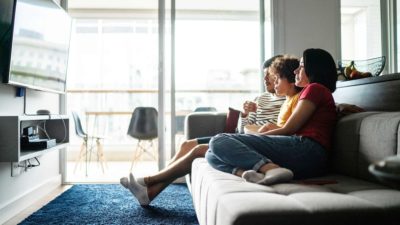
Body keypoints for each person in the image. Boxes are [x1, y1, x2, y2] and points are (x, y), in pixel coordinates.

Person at [120, 55, 288, 206]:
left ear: (278, 76)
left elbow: (280, 128)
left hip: (254, 141)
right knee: (187, 144)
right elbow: (243, 129)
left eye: (270, 75)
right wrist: (245, 114)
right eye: (264, 75)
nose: (265, 79)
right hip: (242, 137)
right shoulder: (261, 98)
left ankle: (149, 184)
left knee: (197, 150)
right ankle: (150, 188)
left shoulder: (287, 100)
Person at [205, 48, 338, 185]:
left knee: (218, 140)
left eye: (302, 66)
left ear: (314, 69)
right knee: (211, 154)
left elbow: (289, 129)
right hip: (304, 156)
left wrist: (254, 138)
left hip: (307, 150)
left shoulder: (314, 88)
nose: (296, 71)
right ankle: (251, 173)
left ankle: (271, 169)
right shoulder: (316, 92)